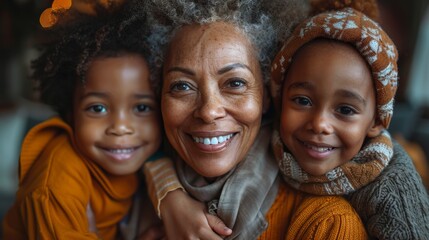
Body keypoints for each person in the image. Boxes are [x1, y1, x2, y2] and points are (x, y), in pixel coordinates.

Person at [130, 0, 368, 239]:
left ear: (266, 96)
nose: (209, 111)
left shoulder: (327, 224)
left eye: (235, 83)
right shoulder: (134, 193)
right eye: (182, 86)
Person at [2, 1, 165, 239]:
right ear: (70, 112)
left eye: (142, 107)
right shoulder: (57, 184)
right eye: (97, 108)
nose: (120, 127)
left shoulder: (141, 156)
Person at [270, 1, 429, 240]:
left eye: (345, 109)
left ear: (376, 121)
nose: (320, 123)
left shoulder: (392, 188)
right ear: (280, 99)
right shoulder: (266, 150)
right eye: (302, 101)